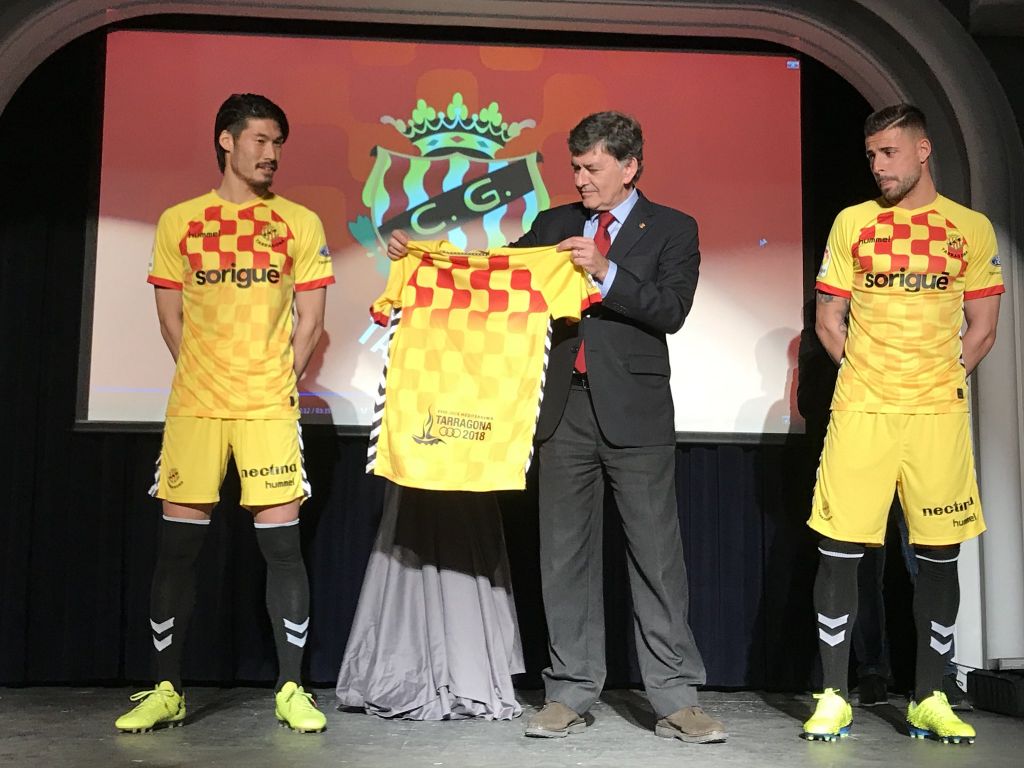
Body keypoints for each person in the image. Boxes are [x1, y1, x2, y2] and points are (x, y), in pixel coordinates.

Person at [385, 112, 724, 744]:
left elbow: (671, 309)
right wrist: (426, 259)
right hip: (562, 414)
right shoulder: (553, 223)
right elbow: (494, 275)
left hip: (637, 415)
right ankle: (570, 690)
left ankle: (676, 698)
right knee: (564, 558)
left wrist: (606, 271)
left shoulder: (673, 228)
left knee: (657, 559)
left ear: (630, 166)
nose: (581, 179)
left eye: (593, 168)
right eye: (576, 167)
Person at [115, 93, 334, 733]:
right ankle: (167, 689)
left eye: (278, 143)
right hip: (196, 408)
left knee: (284, 551)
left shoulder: (299, 222)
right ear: (226, 141)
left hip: (268, 409)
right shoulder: (179, 221)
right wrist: (207, 377)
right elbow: (170, 319)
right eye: (261, 140)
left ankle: (291, 689)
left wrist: (277, 381)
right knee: (177, 552)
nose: (271, 154)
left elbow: (311, 321)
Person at [803, 104, 1002, 744]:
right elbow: (828, 318)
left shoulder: (970, 229)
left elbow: (983, 328)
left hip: (937, 415)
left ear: (923, 150)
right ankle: (833, 696)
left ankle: (930, 697)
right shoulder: (852, 223)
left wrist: (941, 378)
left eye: (888, 153)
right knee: (839, 549)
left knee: (939, 555)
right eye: (871, 155)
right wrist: (866, 374)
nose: (878, 166)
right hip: (862, 411)